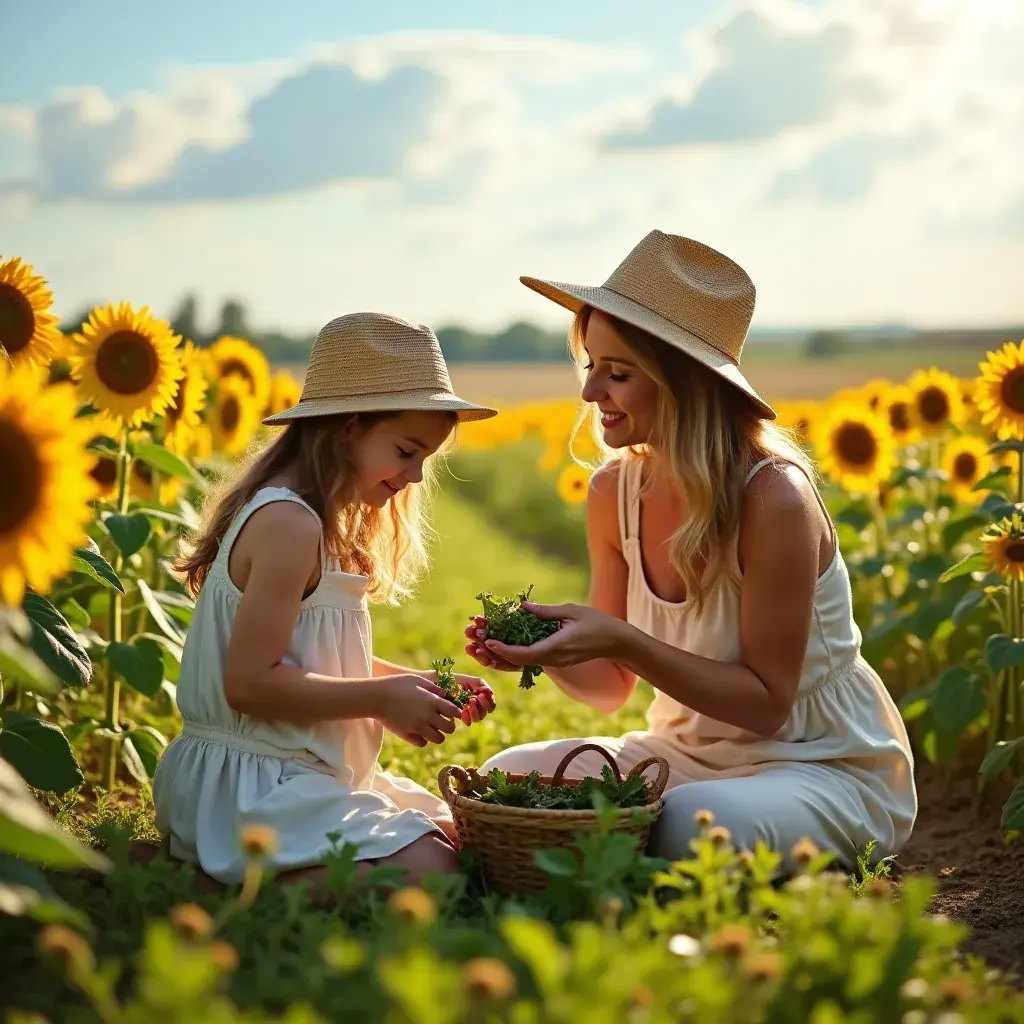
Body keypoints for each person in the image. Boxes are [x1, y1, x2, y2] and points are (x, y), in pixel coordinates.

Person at [466, 231, 916, 869]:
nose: (591, 393)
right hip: (677, 758)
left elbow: (765, 707)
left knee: (683, 823)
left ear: (684, 383)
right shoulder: (613, 492)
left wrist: (623, 640)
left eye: (618, 373)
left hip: (817, 766)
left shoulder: (773, 498)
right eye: (590, 366)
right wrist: (547, 652)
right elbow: (610, 687)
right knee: (506, 776)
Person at [153, 312, 498, 886]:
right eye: (406, 450)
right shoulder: (288, 523)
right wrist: (379, 699)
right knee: (433, 869)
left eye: (424, 459)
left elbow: (311, 661)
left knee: (460, 836)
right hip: (249, 786)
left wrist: (411, 686)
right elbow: (249, 685)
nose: (415, 475)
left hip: (298, 775)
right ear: (349, 428)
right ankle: (203, 884)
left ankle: (226, 873)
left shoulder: (317, 521)